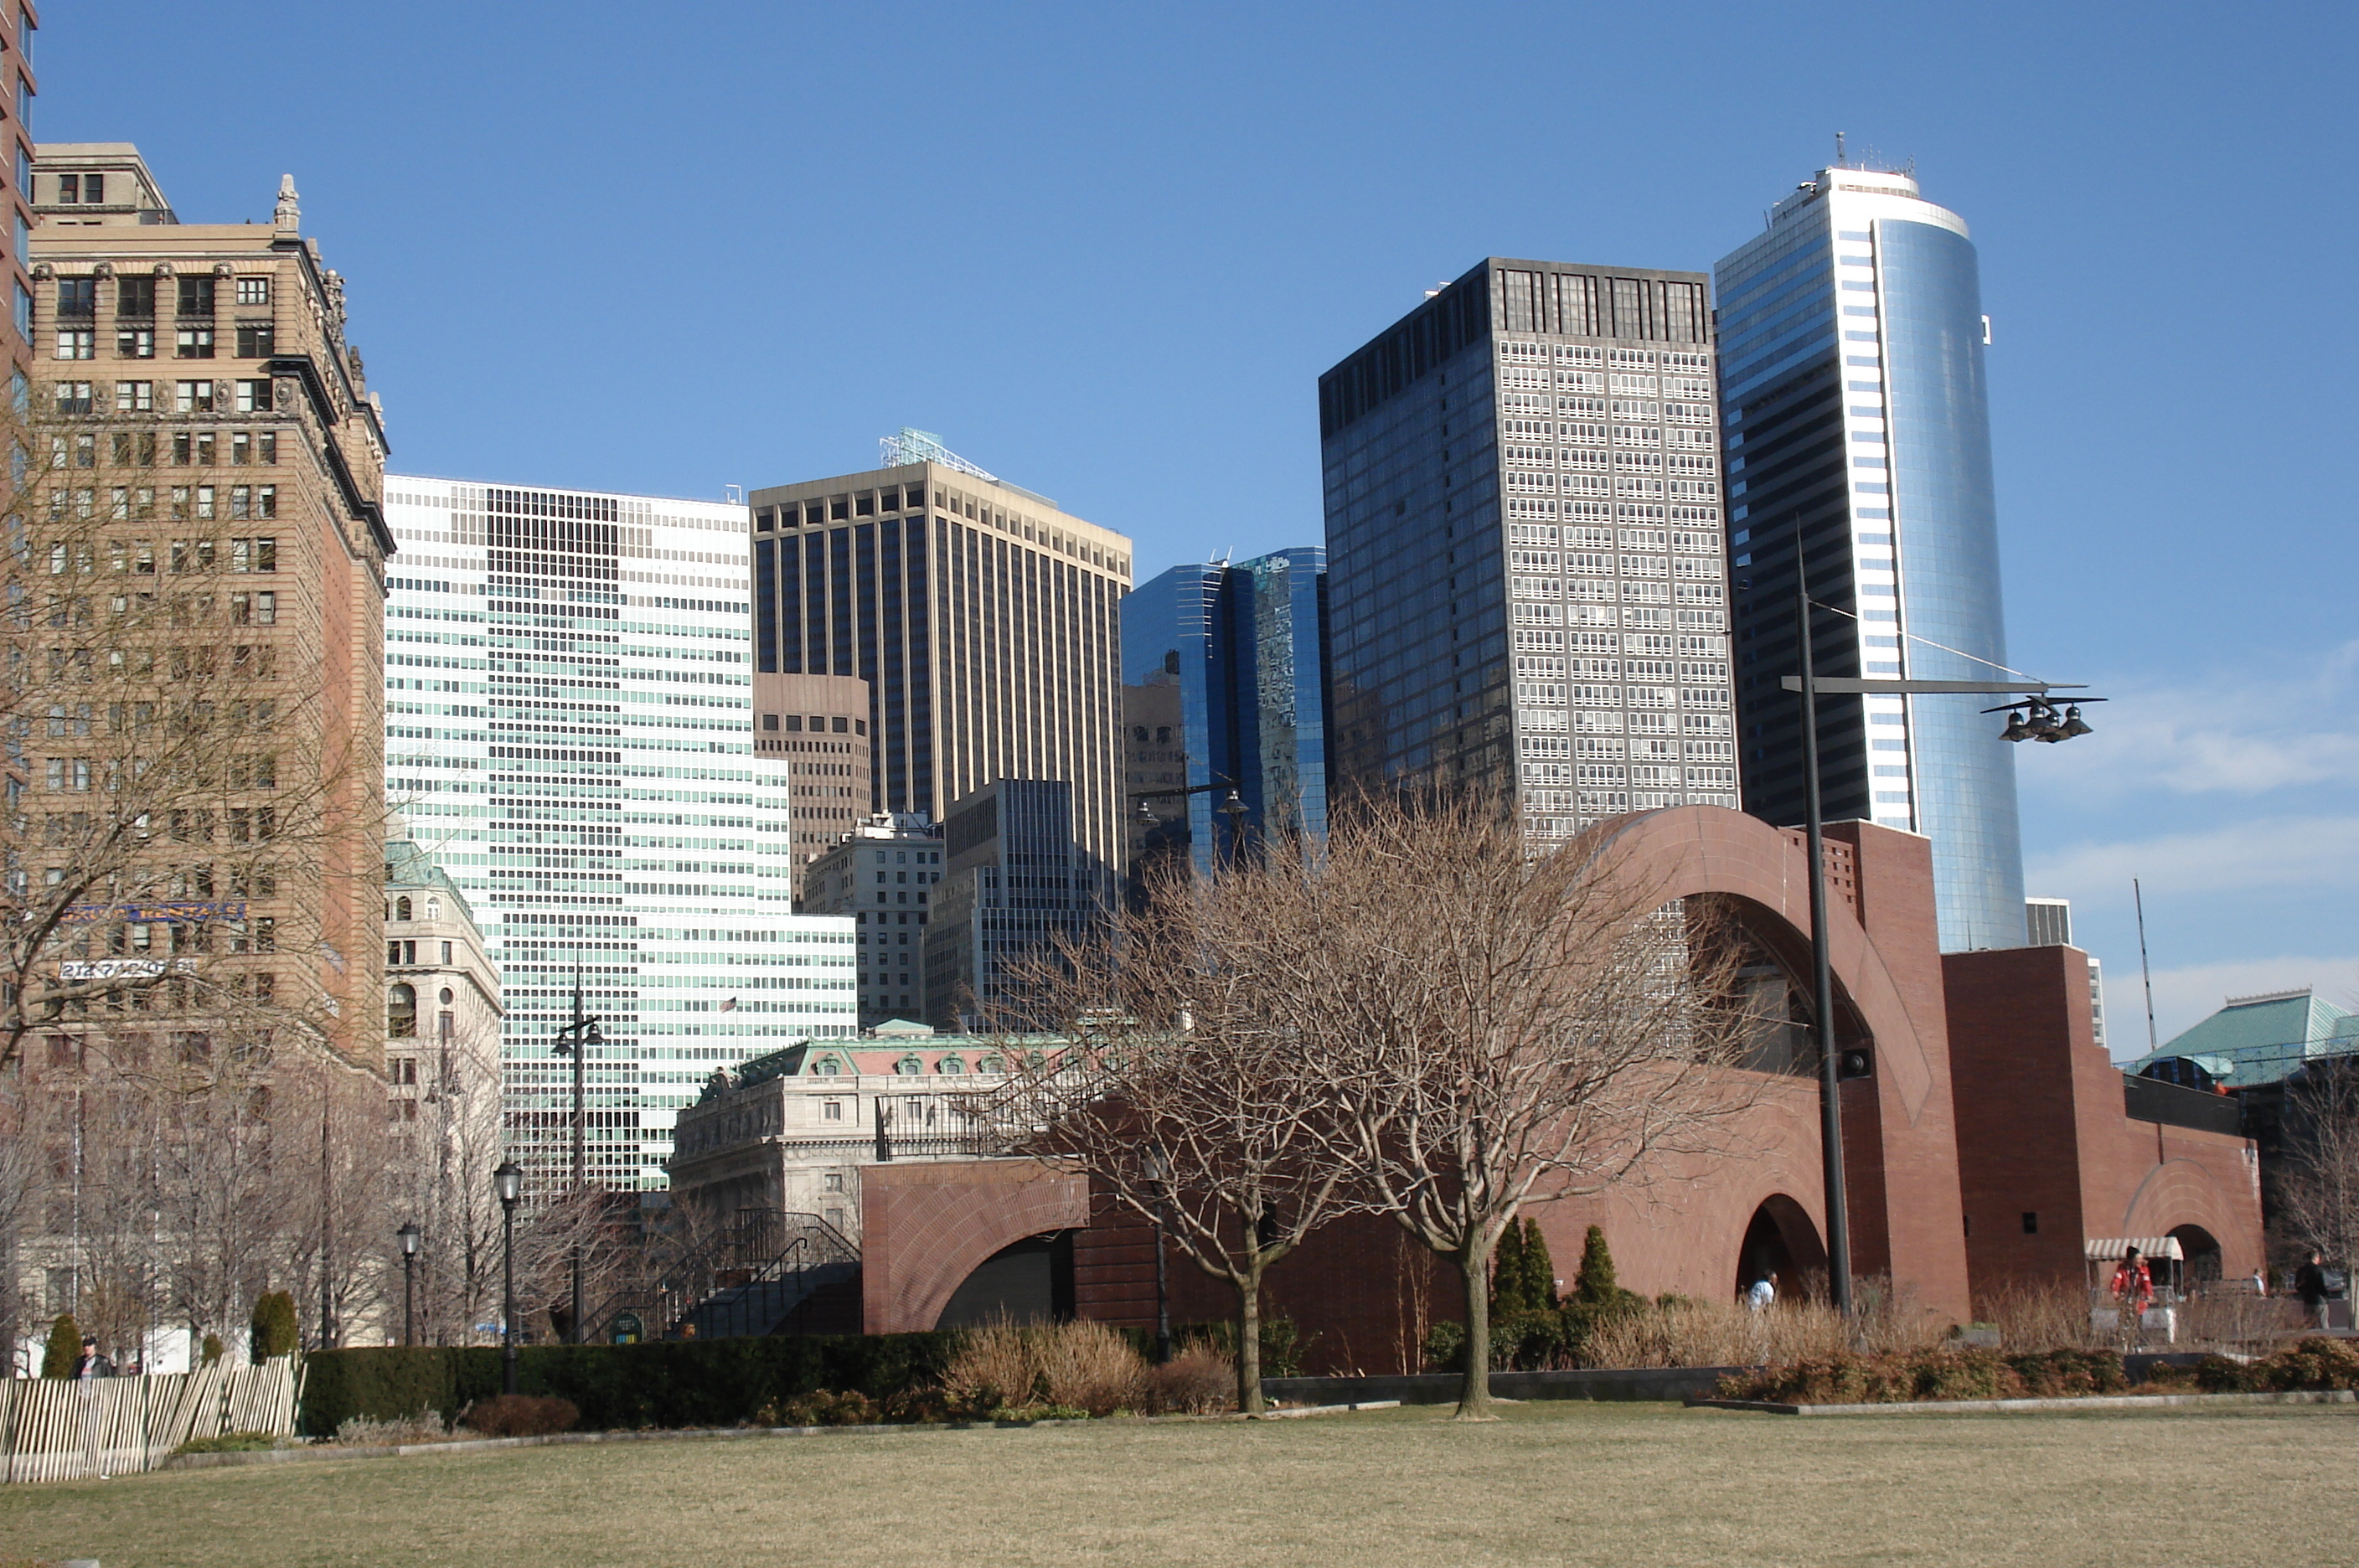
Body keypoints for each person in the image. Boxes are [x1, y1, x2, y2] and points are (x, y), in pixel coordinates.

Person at [73, 1335, 111, 1480]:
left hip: (97, 1400)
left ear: (94, 1346)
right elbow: (73, 1379)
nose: (87, 1348)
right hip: (83, 1400)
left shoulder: (102, 1362)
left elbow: (110, 1379)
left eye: (89, 1345)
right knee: (84, 1431)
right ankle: (86, 1460)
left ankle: (94, 1459)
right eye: (85, 1346)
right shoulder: (80, 1362)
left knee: (94, 1431)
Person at [2111, 1247, 2155, 1349]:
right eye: (2137, 1259)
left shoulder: (2143, 1270)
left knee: (2137, 1320)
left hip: (2138, 1298)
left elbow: (2146, 1282)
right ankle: (2124, 1343)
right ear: (2131, 1259)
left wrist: (2149, 1294)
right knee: (2124, 1320)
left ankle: (2137, 1343)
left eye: (2141, 1259)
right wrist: (2115, 1292)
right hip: (2126, 1297)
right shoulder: (2123, 1269)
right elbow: (2117, 1280)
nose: (2140, 1261)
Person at [2294, 1251, 2333, 1329]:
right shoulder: (2319, 1270)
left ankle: (2310, 1340)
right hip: (2320, 1300)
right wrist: (2326, 1295)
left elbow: (2298, 1285)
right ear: (2316, 1258)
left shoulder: (2301, 1270)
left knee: (2309, 1324)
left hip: (2307, 1300)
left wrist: (2304, 1293)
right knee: (2323, 1323)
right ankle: (2326, 1339)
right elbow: (2323, 1285)